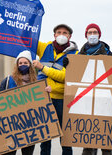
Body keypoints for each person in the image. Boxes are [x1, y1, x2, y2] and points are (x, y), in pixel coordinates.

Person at [32, 24, 79, 155]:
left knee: (65, 138)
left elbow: (66, 77)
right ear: (54, 35)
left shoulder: (75, 54)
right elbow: (28, 40)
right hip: (43, 99)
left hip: (61, 101)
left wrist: (43, 68)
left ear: (70, 36)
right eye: (58, 32)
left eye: (65, 33)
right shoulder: (45, 47)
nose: (61, 35)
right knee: (45, 138)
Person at [1, 50, 50, 155]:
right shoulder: (8, 80)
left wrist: (47, 92)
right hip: (11, 124)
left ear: (30, 65)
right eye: (20, 63)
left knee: (27, 153)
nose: (22, 65)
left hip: (29, 125)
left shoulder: (36, 82)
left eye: (25, 63)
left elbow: (42, 103)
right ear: (17, 65)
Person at [80, 23, 112, 155]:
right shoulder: (80, 55)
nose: (92, 35)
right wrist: (69, 65)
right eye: (90, 32)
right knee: (88, 139)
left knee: (105, 140)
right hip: (86, 101)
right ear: (86, 35)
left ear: (99, 35)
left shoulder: (109, 54)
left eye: (95, 32)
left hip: (104, 101)